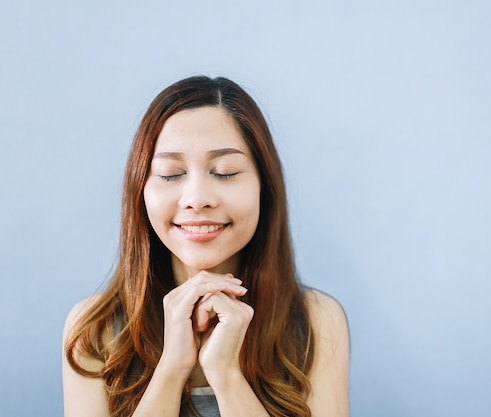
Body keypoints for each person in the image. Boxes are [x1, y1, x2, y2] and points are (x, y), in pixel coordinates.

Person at [62, 75, 350, 417]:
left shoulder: (316, 321)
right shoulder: (94, 329)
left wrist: (226, 376)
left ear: (264, 187)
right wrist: (172, 369)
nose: (197, 199)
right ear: (141, 191)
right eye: (171, 173)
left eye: (226, 172)